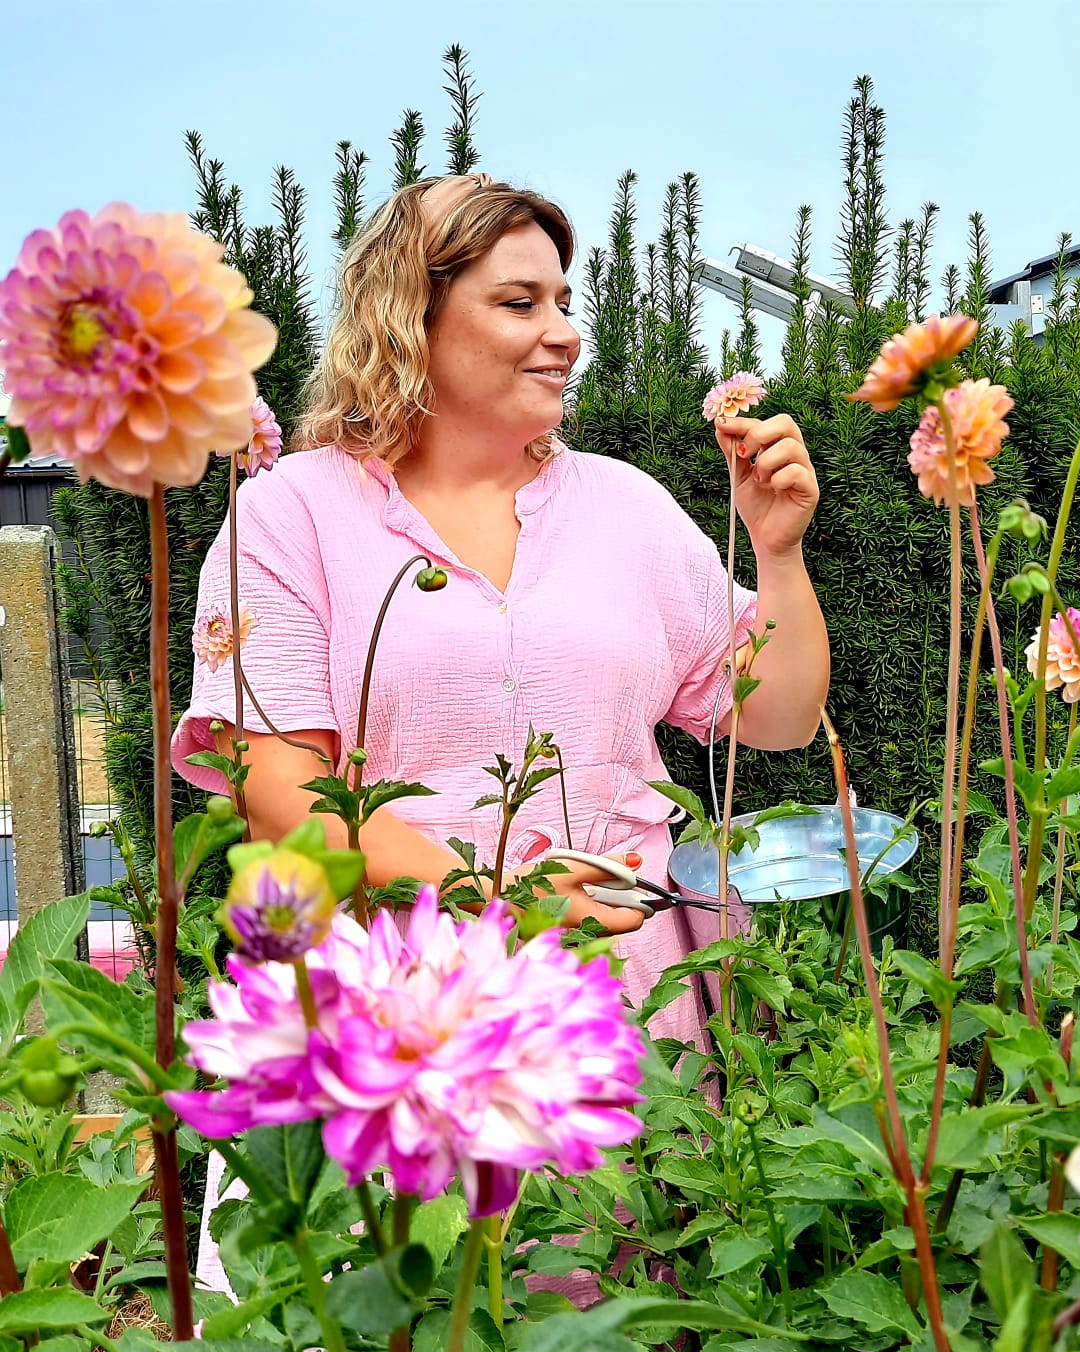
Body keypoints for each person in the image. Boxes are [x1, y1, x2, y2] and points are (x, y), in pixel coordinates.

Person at [171, 173, 829, 1287]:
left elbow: (773, 715)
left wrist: (777, 554)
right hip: (385, 1013)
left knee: (603, 1325)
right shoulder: (291, 514)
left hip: (614, 999)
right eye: (520, 302)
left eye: (564, 302)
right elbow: (278, 787)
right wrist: (492, 898)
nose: (565, 334)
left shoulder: (624, 506)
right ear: (407, 315)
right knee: (380, 1312)